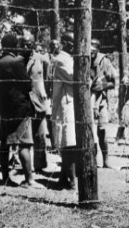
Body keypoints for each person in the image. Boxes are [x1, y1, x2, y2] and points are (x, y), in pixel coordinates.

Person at [0, 34, 43, 188]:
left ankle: (5, 177)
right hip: (20, 108)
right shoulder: (15, 63)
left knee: (4, 143)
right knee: (24, 144)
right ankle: (29, 180)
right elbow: (27, 85)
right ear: (15, 46)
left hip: (5, 107)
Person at [19, 35, 51, 173]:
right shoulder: (18, 60)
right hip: (23, 101)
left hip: (39, 100)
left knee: (40, 134)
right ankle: (22, 166)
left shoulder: (41, 59)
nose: (26, 47)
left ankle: (40, 165)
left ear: (33, 45)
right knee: (23, 135)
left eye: (28, 44)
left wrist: (46, 95)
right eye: (23, 44)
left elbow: (49, 78)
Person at [51, 32, 77, 189]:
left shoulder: (69, 58)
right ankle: (72, 180)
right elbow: (77, 78)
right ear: (68, 43)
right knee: (69, 143)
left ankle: (63, 178)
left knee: (70, 142)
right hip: (65, 105)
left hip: (71, 104)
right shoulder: (61, 59)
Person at [90, 38, 119, 168]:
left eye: (93, 51)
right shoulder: (81, 59)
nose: (90, 53)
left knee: (102, 130)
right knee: (88, 130)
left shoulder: (105, 61)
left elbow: (114, 81)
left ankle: (106, 160)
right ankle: (91, 160)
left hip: (100, 101)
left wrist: (102, 85)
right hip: (85, 101)